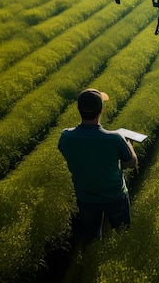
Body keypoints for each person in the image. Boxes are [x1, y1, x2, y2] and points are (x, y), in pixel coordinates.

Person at [58, 88, 138, 245]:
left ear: (79, 109)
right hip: (115, 196)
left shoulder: (66, 137)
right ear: (100, 110)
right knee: (122, 234)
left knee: (91, 238)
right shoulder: (115, 139)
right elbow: (131, 163)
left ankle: (90, 260)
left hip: (86, 196)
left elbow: (67, 152)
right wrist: (129, 144)